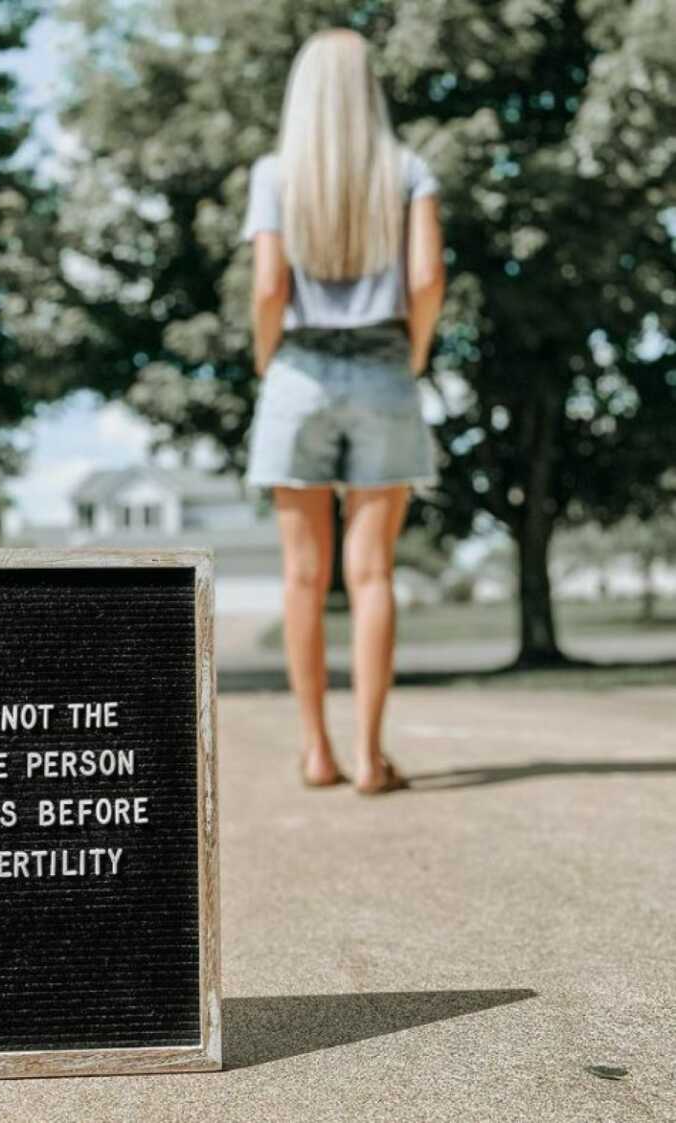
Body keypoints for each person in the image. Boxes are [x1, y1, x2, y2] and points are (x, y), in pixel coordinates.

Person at [240, 27, 446, 795]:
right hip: (386, 368)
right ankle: (369, 755)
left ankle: (316, 750)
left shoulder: (274, 173)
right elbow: (427, 280)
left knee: (302, 576)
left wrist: (271, 362)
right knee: (373, 573)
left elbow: (267, 289)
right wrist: (414, 353)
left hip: (299, 371)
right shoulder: (409, 169)